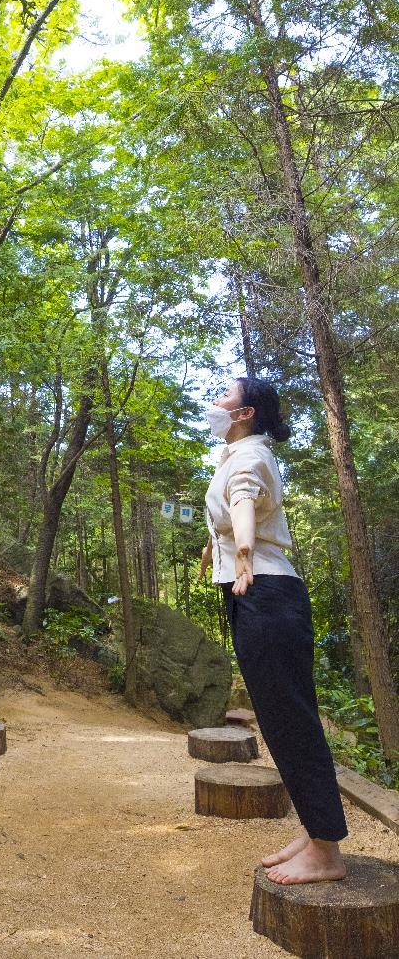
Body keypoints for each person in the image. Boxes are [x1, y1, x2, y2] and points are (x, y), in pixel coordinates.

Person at [200, 377, 347, 885]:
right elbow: (237, 513)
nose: (215, 402)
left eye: (224, 395)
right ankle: (316, 832)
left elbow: (244, 504)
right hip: (257, 592)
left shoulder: (247, 459)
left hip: (263, 593)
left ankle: (327, 853)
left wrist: (242, 556)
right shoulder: (240, 453)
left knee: (290, 720)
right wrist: (218, 549)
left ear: (245, 414)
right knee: (281, 718)